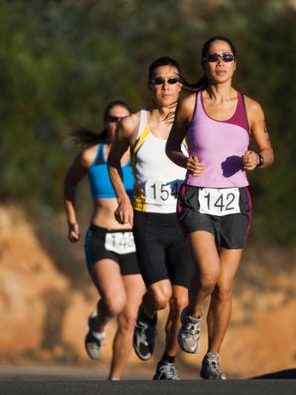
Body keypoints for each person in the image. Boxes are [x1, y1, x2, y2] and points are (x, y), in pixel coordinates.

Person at [165, 36, 274, 380]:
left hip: (235, 201)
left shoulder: (251, 108)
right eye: (213, 57)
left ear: (235, 64)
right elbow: (171, 148)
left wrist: (258, 159)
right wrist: (184, 160)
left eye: (227, 56)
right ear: (204, 64)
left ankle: (212, 357)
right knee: (208, 274)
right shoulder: (189, 105)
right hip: (197, 197)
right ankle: (193, 316)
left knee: (225, 287)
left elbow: (268, 151)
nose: (221, 62)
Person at [107, 57, 193, 380]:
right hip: (148, 221)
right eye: (159, 81)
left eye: (172, 81)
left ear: (180, 85)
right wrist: (122, 198)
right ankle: (146, 313)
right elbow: (114, 164)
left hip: (184, 221)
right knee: (160, 295)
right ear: (149, 86)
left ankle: (167, 362)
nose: (166, 87)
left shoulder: (192, 124)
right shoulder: (133, 124)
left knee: (181, 301)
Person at [63, 100, 146, 381]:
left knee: (129, 319)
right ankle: (97, 327)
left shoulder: (140, 156)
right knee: (114, 303)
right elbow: (69, 183)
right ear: (105, 122)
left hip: (134, 241)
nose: (118, 123)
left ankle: (115, 380)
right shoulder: (92, 156)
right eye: (113, 118)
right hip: (102, 238)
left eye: (124, 118)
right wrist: (71, 219)